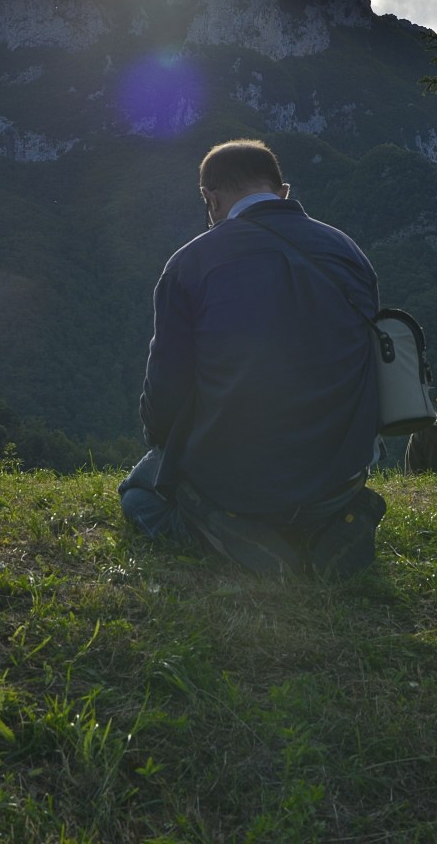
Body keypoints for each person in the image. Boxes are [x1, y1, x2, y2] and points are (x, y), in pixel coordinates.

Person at [119, 138, 386, 578]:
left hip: (237, 484)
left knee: (138, 495)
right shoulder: (348, 252)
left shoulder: (190, 263)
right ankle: (328, 527)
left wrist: (163, 445)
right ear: (282, 191)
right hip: (338, 477)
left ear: (211, 198)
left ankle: (233, 538)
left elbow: (166, 389)